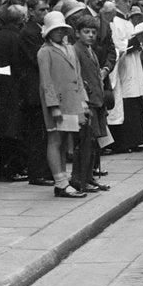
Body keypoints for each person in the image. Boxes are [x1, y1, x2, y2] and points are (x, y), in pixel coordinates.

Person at [37, 10, 89, 198]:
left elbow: (78, 76)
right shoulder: (45, 52)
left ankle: (63, 179)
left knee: (65, 141)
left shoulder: (69, 49)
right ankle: (60, 182)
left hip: (71, 102)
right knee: (55, 140)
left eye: (62, 29)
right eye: (55, 30)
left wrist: (83, 101)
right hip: (57, 104)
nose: (59, 33)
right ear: (48, 32)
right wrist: (53, 106)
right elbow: (46, 82)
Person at [0, 3, 28, 181]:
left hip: (0, 89)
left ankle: (9, 168)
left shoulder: (0, 35)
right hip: (11, 91)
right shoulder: (15, 38)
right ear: (22, 20)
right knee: (12, 132)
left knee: (7, 133)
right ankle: (11, 170)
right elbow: (18, 66)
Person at [17, 0, 55, 186]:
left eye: (47, 9)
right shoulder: (30, 33)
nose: (45, 13)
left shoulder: (40, 30)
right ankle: (37, 173)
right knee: (37, 134)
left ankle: (45, 171)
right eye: (41, 10)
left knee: (44, 133)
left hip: (39, 90)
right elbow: (39, 60)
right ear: (31, 12)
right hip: (33, 92)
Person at [106, 0, 143, 153]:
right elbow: (118, 46)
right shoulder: (115, 21)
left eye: (130, 1)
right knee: (125, 103)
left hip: (133, 64)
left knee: (134, 100)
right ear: (117, 1)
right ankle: (124, 143)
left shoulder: (128, 22)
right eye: (125, 1)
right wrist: (134, 42)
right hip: (123, 67)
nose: (128, 4)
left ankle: (135, 141)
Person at [72, 15, 110, 193]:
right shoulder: (76, 51)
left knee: (93, 142)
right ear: (77, 33)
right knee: (85, 142)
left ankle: (89, 176)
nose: (90, 35)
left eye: (93, 32)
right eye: (86, 32)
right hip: (87, 102)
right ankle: (79, 178)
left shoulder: (90, 50)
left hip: (97, 101)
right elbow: (78, 78)